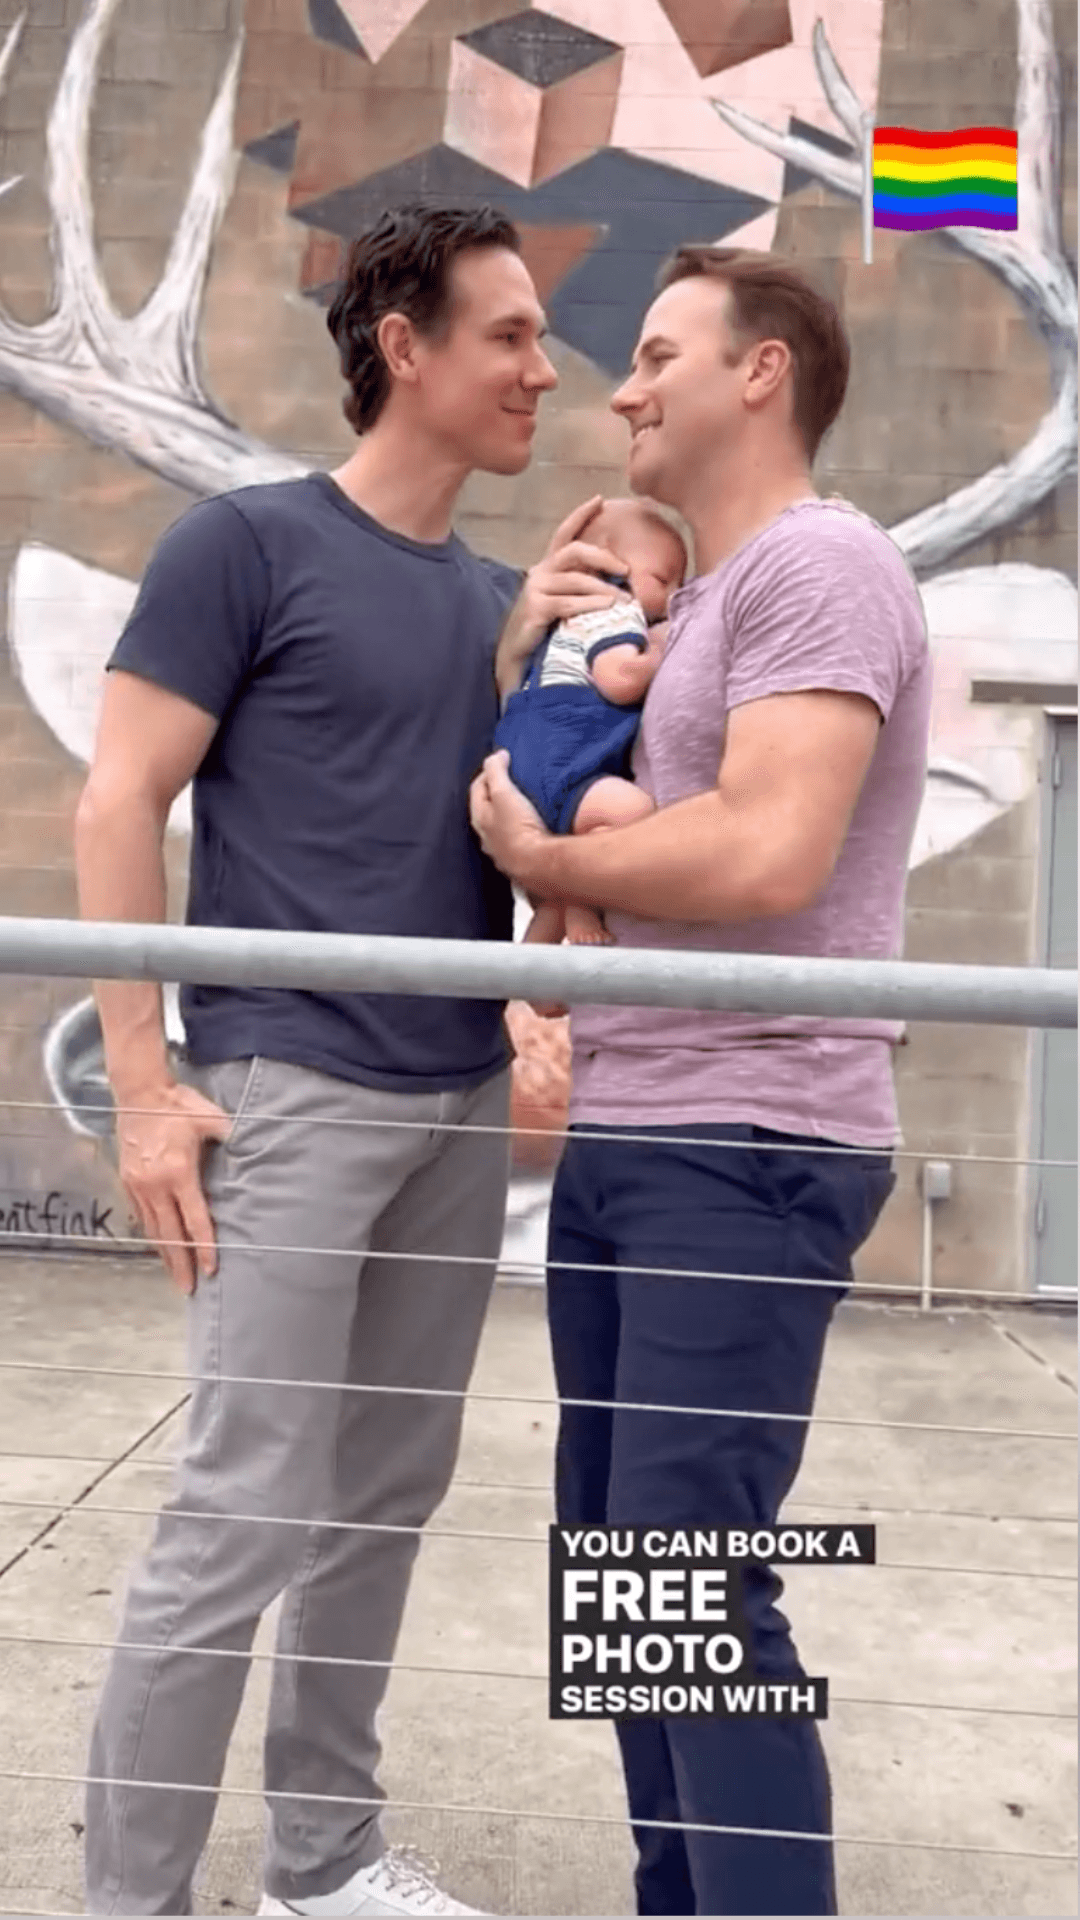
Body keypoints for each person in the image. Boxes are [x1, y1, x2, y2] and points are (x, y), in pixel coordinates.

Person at [75, 202, 567, 1920]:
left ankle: (325, 1859)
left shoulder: (505, 608)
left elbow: (526, 862)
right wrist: (145, 1087)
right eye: (509, 334)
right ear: (405, 348)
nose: (545, 367)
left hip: (456, 1104)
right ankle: (131, 1900)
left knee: (383, 1506)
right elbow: (118, 802)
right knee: (242, 1514)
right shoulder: (246, 547)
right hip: (288, 1092)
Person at [470, 246, 931, 1917]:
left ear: (764, 371)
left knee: (688, 1582)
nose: (622, 390)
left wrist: (545, 853)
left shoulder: (819, 564)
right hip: (644, 1125)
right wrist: (539, 663)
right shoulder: (710, 604)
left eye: (660, 354)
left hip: (748, 1137)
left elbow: (768, 854)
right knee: (623, 1585)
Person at [493, 498, 686, 947]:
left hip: (536, 759)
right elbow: (619, 680)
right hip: (564, 755)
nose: (673, 597)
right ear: (607, 570)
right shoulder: (613, 610)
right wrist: (662, 649)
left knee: (578, 854)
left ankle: (535, 958)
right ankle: (582, 901)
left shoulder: (564, 623)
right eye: (663, 580)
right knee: (634, 814)